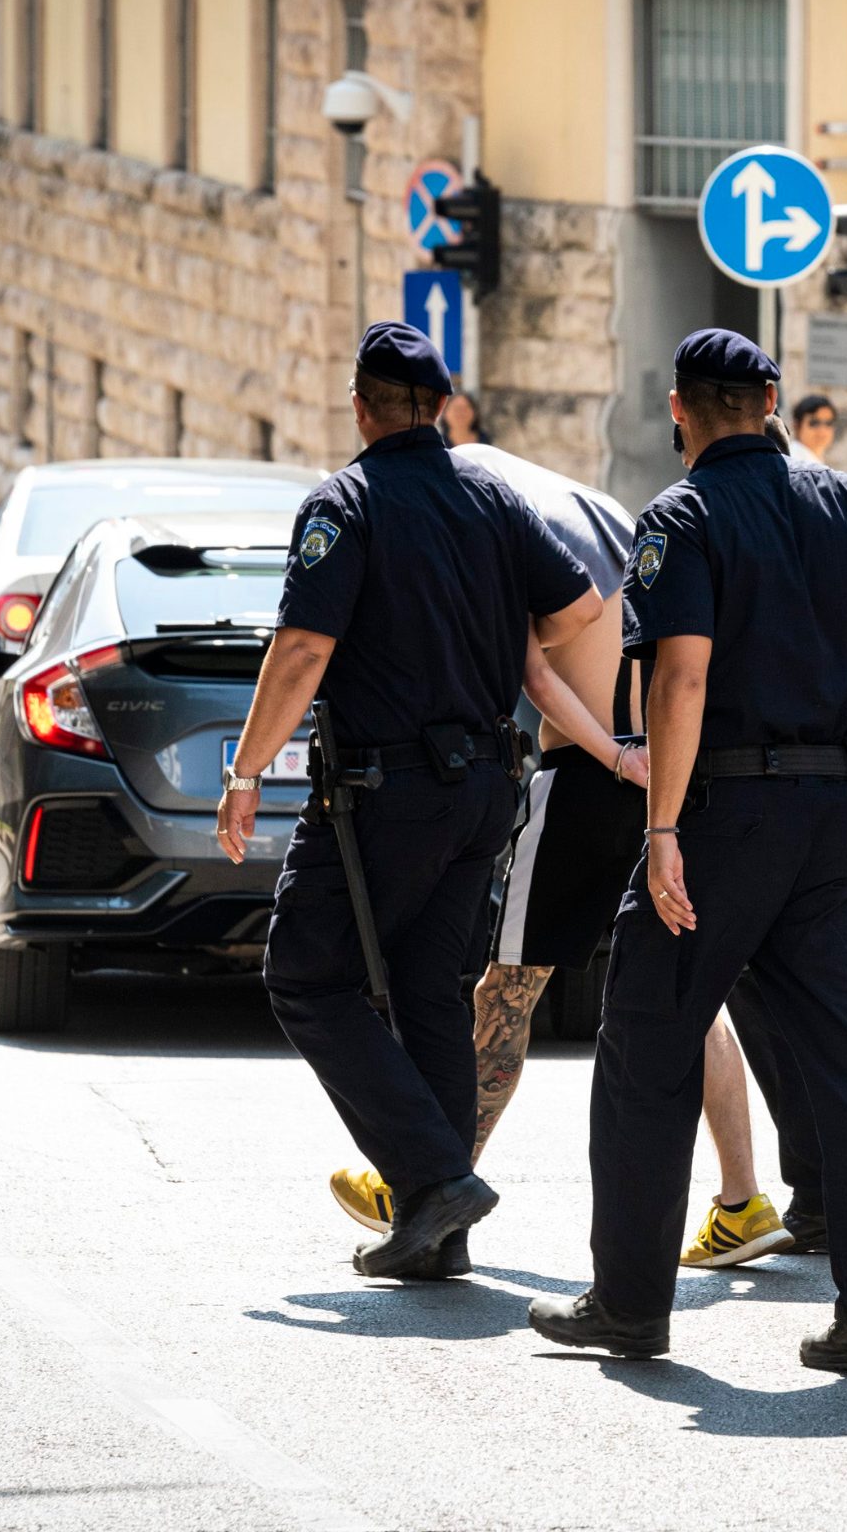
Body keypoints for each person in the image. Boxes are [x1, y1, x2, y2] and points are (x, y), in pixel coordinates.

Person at [528, 329, 847, 1373]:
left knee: (645, 1045)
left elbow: (680, 681)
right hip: (834, 822)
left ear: (680, 411)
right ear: (771, 398)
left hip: (724, 816)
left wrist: (664, 831)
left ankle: (631, 1305)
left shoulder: (681, 516)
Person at [323, 428, 805, 1273]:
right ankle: (741, 1201)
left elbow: (537, 678)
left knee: (507, 986)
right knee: (689, 990)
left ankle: (428, 1182)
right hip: (668, 771)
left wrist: (610, 756)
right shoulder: (603, 512)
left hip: (588, 776)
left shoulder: (491, 519)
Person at [216, 321, 602, 1281]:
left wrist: (246, 772)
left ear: (360, 404)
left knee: (308, 978)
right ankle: (441, 1239)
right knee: (430, 991)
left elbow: (303, 650)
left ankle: (433, 1180)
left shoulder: (345, 503)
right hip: (485, 788)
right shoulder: (494, 498)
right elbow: (581, 609)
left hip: (387, 790)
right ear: (438, 406)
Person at [788, 393, 837, 463]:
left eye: (828, 423)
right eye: (814, 423)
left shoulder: (815, 460)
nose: (822, 430)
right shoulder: (793, 460)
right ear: (797, 426)